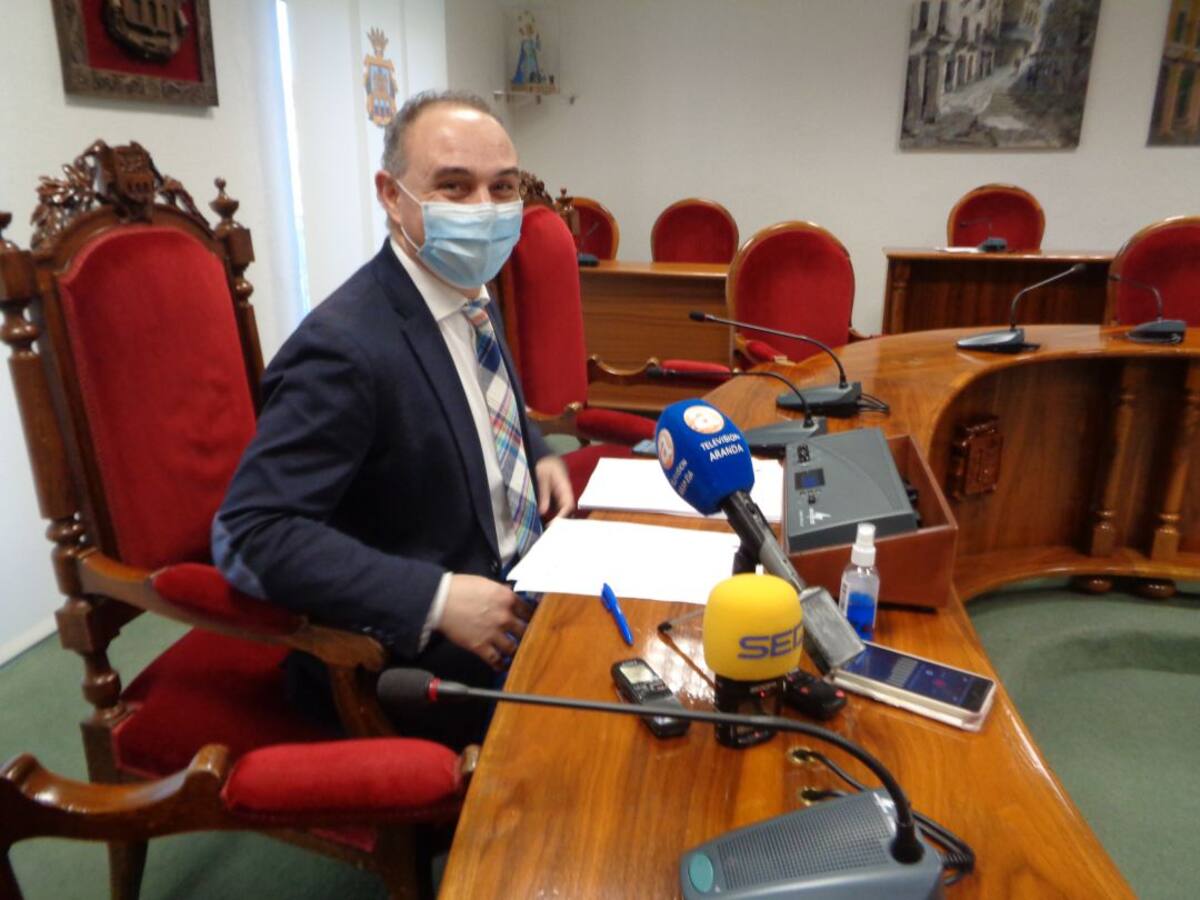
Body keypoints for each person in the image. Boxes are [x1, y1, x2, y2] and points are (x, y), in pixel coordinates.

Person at [212, 90, 574, 749]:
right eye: (454, 186)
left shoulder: (468, 296)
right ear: (391, 194)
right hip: (410, 654)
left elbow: (482, 400)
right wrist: (434, 598)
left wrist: (538, 448)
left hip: (521, 579)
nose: (485, 209)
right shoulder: (344, 347)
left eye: (502, 187)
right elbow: (252, 532)